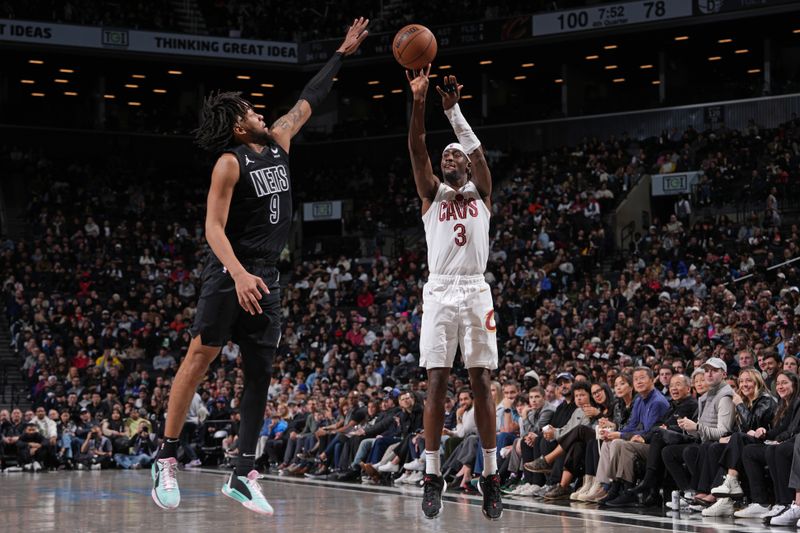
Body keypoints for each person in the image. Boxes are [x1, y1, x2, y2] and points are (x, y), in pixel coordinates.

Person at [150, 17, 370, 515]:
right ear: (237, 124)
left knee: (259, 374)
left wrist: (340, 53)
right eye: (250, 109)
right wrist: (238, 273)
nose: (259, 111)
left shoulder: (280, 142)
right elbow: (211, 228)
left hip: (266, 274)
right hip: (231, 272)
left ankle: (243, 472)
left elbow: (309, 98)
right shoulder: (229, 163)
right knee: (199, 358)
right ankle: (165, 456)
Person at [406, 67, 502, 520]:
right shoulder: (432, 194)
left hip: (476, 290)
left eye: (454, 154)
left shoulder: (482, 191)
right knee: (437, 382)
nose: (448, 157)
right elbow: (416, 147)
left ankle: (490, 474)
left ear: (465, 161)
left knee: (481, 381)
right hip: (441, 291)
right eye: (444, 156)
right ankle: (431, 474)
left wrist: (454, 112)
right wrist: (420, 101)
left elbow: (480, 154)